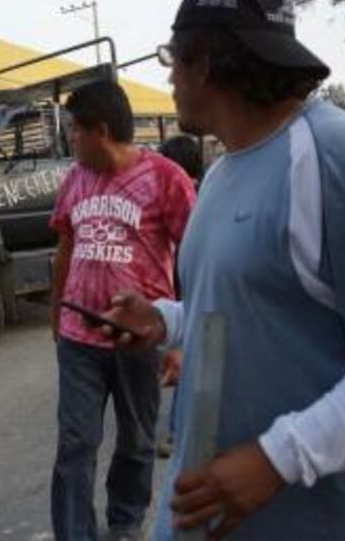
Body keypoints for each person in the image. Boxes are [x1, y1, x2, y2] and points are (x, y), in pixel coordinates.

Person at [103, 0, 345, 540]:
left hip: (330, 523)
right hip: (208, 517)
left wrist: (277, 459)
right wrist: (163, 319)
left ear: (205, 63)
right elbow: (252, 310)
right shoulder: (221, 173)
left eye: (172, 60)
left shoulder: (344, 158)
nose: (170, 81)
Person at [49, 81, 196, 540]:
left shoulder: (165, 177)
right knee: (76, 443)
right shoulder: (75, 178)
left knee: (136, 442)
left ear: (102, 131)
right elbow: (66, 245)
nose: (72, 139)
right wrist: (57, 314)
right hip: (78, 337)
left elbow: (192, 255)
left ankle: (125, 525)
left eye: (76, 130)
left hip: (138, 339)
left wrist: (178, 338)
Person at [154, 134, 203, 459]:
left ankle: (176, 431)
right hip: (181, 295)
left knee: (190, 360)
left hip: (192, 294)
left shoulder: (197, 202)